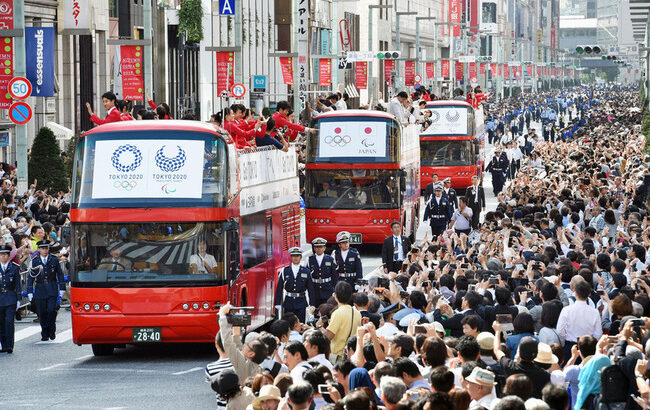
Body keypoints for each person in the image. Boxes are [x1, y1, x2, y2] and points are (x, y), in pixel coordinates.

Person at [26, 240, 65, 341]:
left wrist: (62, 288)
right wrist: (29, 291)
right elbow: (30, 277)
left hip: (52, 287)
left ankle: (52, 330)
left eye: (46, 248)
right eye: (42, 248)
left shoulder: (54, 259)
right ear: (39, 249)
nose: (45, 250)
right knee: (42, 312)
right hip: (40, 288)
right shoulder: (35, 261)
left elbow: (60, 274)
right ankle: (45, 333)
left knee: (51, 310)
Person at [274, 247, 315, 323]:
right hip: (288, 302)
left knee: (300, 323)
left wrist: (312, 304)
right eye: (293, 256)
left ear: (301, 257)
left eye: (297, 256)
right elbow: (279, 288)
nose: (295, 258)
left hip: (301, 302)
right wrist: (277, 303)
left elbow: (311, 289)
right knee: (288, 325)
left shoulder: (306, 271)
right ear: (291, 257)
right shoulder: (285, 271)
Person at [324, 281, 362, 359]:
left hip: (338, 355)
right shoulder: (357, 313)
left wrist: (319, 327)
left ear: (336, 296)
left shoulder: (337, 313)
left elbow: (327, 337)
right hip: (352, 354)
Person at [0, 244, 20, 353]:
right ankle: (3, 345)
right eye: (1, 255)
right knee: (1, 323)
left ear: (8, 256)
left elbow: (18, 285)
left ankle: (9, 345)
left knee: (9, 322)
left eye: (5, 255)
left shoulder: (14, 268)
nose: (3, 257)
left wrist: (19, 299)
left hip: (10, 297)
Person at [306, 238, 337, 306]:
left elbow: (334, 276)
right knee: (316, 311)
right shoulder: (309, 260)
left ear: (324, 248)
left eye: (321, 247)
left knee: (328, 310)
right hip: (315, 290)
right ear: (314, 248)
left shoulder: (330, 259)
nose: (319, 249)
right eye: (317, 247)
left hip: (327, 289)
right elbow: (307, 277)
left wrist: (335, 289)